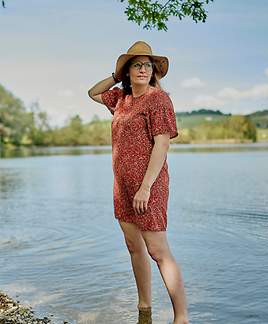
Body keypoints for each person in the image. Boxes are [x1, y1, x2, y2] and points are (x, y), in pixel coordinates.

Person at [88, 41, 188, 324]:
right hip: (123, 187)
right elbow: (93, 92)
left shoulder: (159, 100)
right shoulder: (121, 99)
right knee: (134, 247)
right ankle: (145, 309)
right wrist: (115, 75)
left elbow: (162, 144)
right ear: (127, 71)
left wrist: (145, 187)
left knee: (158, 250)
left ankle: (181, 317)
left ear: (153, 70)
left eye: (147, 65)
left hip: (149, 186)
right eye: (137, 65)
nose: (143, 69)